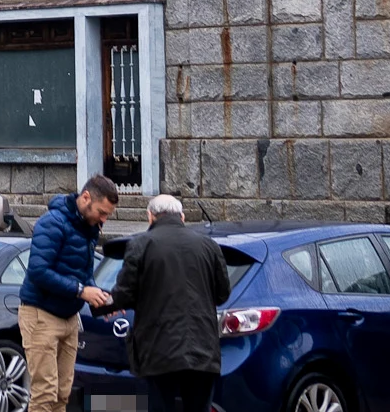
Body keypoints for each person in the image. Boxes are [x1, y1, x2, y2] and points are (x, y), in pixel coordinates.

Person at [120, 194, 232, 412]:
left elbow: (125, 293)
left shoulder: (141, 244)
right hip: (203, 349)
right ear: (182, 217)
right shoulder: (209, 246)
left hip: (158, 350)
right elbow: (222, 294)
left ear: (150, 217)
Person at [18, 173, 119, 412]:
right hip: (41, 315)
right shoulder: (52, 223)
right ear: (86, 198)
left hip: (68, 317)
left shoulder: (89, 226)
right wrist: (81, 291)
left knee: (62, 393)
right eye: (102, 212)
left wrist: (102, 300)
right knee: (44, 394)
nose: (103, 219)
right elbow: (38, 271)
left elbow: (84, 273)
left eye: (107, 214)